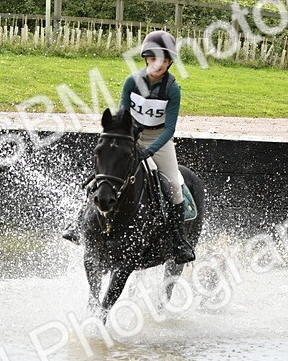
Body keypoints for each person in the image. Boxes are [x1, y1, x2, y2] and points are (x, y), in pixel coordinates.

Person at [64, 30, 195, 264]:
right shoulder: (132, 82)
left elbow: (169, 130)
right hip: (131, 136)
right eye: (154, 59)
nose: (159, 64)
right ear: (146, 59)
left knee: (174, 184)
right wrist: (127, 140)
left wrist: (150, 150)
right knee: (100, 176)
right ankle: (77, 224)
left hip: (159, 140)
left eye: (164, 60)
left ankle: (178, 240)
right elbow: (124, 116)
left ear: (169, 63)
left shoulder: (172, 89)